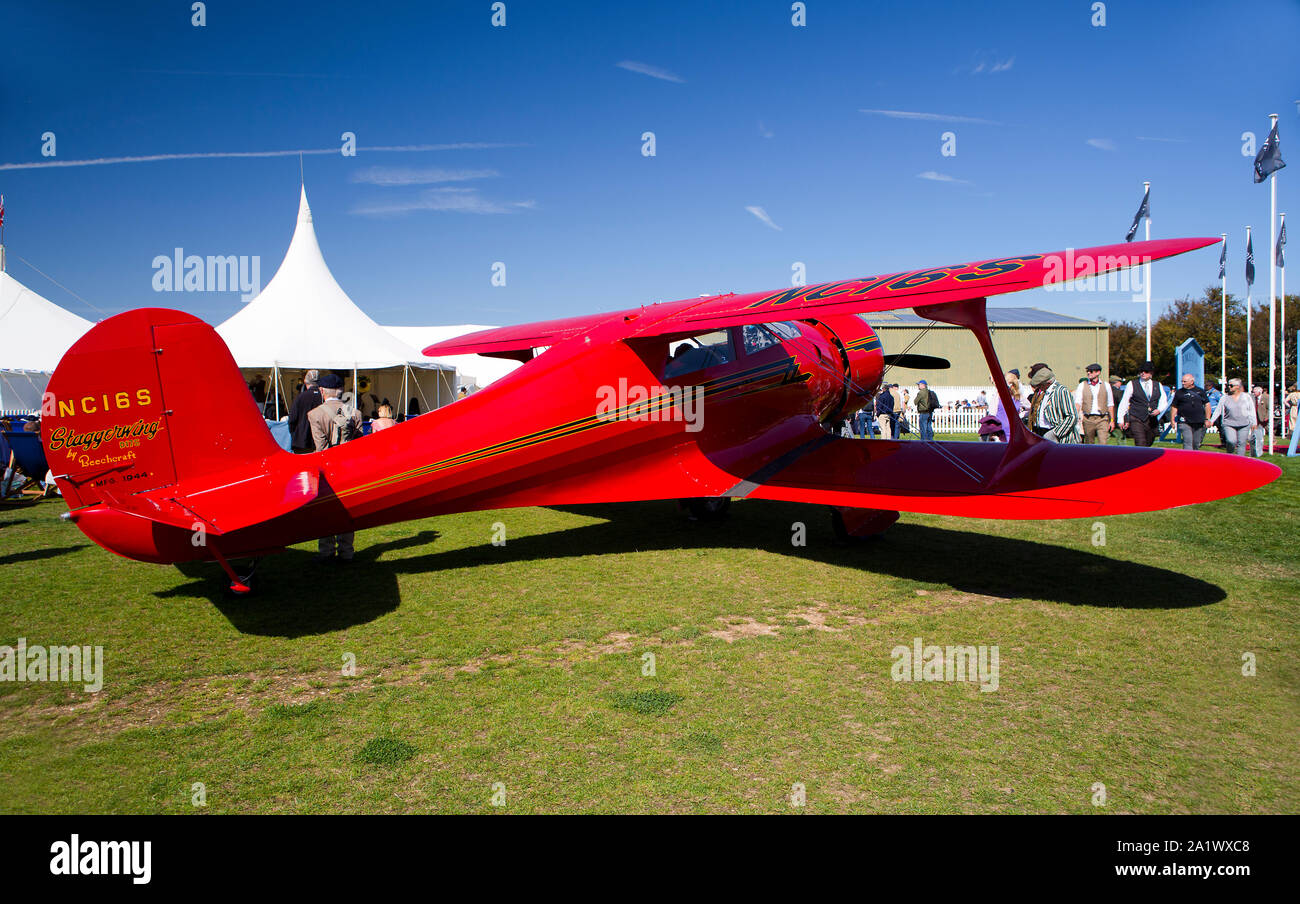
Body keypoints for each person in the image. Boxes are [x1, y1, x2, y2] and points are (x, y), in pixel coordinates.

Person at [308, 374, 364, 563]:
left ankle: (326, 551)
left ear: (322, 391)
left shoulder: (315, 414)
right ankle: (347, 551)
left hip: (327, 469)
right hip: (349, 468)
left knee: (326, 512)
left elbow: (320, 448)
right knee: (347, 511)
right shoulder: (354, 412)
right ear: (341, 390)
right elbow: (359, 443)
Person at [1117, 361, 1170, 448]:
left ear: (1151, 373)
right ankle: (1140, 459)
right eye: (1141, 371)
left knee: (1149, 441)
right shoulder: (1132, 384)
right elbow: (1124, 402)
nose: (1143, 373)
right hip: (1136, 417)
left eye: (1146, 371)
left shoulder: (1158, 385)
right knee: (1140, 442)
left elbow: (1163, 401)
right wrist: (1120, 419)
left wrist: (1159, 410)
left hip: (1151, 420)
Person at [1026, 362, 1079, 443]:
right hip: (1040, 432)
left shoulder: (1061, 391)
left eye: (1040, 385)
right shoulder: (1042, 392)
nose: (1039, 387)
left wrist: (1055, 433)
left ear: (1048, 382)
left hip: (1058, 437)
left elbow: (1072, 416)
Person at [1212, 378, 1256, 456]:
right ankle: (1230, 455)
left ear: (1237, 386)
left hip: (1244, 424)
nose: (1229, 387)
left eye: (1231, 385)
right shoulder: (1224, 398)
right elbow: (1218, 410)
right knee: (1231, 441)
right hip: (1229, 423)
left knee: (1241, 443)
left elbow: (1251, 410)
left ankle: (1240, 461)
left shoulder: (1246, 397)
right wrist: (1211, 421)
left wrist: (1254, 422)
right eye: (1228, 385)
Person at [1169, 373, 1212, 451]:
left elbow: (1207, 405)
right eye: (1182, 381)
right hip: (1184, 421)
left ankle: (1195, 459)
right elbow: (1174, 406)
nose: (1183, 383)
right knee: (1187, 441)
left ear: (1191, 382)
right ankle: (1187, 460)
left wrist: (1207, 419)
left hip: (1198, 421)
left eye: (1185, 381)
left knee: (1196, 443)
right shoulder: (1179, 393)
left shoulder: (1200, 391)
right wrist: (1172, 419)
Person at [1073, 363, 1114, 444]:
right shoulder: (1082, 385)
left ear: (1098, 372)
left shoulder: (1106, 385)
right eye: (1088, 371)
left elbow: (1110, 404)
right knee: (1089, 443)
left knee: (1103, 443)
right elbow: (1078, 403)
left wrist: (1112, 420)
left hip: (1103, 419)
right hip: (1088, 419)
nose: (1088, 373)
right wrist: (1075, 417)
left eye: (1091, 371)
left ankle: (1102, 457)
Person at [287, 369, 323, 454]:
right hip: (319, 440)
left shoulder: (300, 397)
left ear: (305, 382)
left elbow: (292, 419)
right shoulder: (323, 396)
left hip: (302, 441)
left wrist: (295, 434)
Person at [1251, 384, 1271, 456]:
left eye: (1255, 392)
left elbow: (1269, 408)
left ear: (1259, 392)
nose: (1253, 393)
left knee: (1269, 430)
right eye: (1253, 392)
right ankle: (1254, 447)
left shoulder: (1266, 397)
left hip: (1264, 417)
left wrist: (1267, 416)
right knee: (1255, 433)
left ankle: (1272, 442)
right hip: (1256, 418)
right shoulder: (1253, 398)